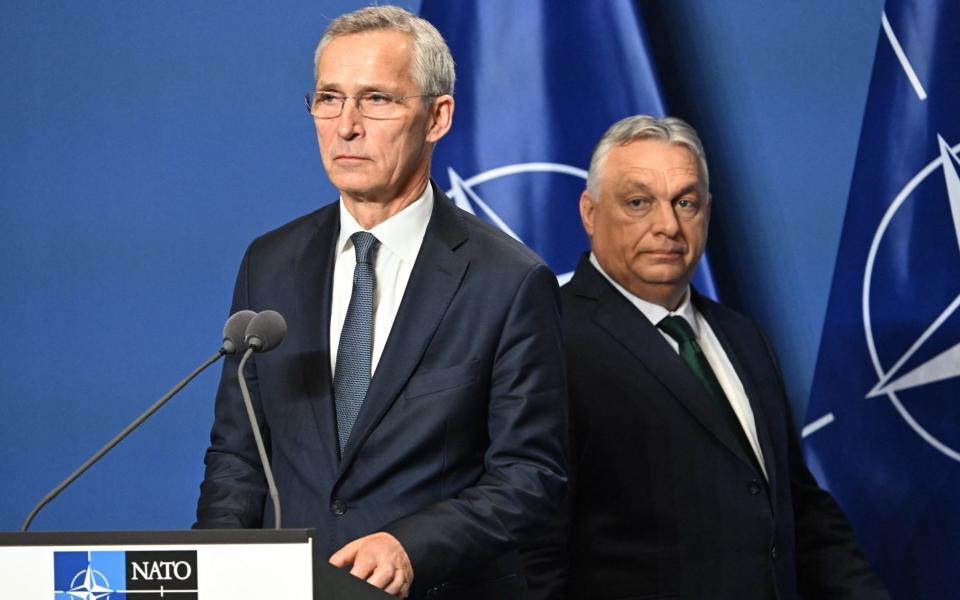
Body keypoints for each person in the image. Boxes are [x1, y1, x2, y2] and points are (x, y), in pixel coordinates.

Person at [194, 7, 567, 599]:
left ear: (436, 117)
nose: (346, 126)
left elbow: (530, 478)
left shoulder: (509, 280)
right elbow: (239, 455)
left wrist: (412, 547)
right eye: (328, 99)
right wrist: (215, 574)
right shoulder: (269, 263)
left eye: (376, 100)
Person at [533, 115, 889, 599]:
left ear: (707, 212)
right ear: (590, 212)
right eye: (639, 203)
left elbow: (797, 512)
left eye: (686, 202)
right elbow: (535, 551)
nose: (668, 226)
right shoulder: (548, 340)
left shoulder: (742, 337)